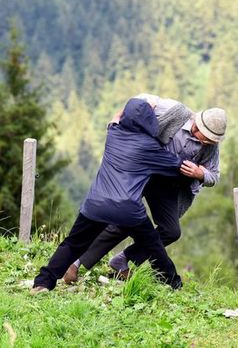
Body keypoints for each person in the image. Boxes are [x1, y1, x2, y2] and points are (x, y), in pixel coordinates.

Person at [63, 94, 226, 283]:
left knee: (171, 231)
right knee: (122, 221)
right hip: (141, 171)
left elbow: (214, 175)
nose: (208, 144)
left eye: (212, 142)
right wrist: (116, 121)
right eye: (206, 139)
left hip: (168, 187)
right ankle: (76, 263)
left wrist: (200, 174)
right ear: (197, 125)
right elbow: (137, 103)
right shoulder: (175, 111)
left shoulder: (211, 146)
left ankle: (122, 260)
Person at [31, 98, 185, 294]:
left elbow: (116, 117)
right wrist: (200, 172)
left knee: (72, 244)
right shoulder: (150, 147)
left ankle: (42, 283)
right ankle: (174, 285)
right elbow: (178, 166)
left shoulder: (113, 133)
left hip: (96, 205)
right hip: (128, 210)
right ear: (150, 121)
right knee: (154, 246)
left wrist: (138, 106)